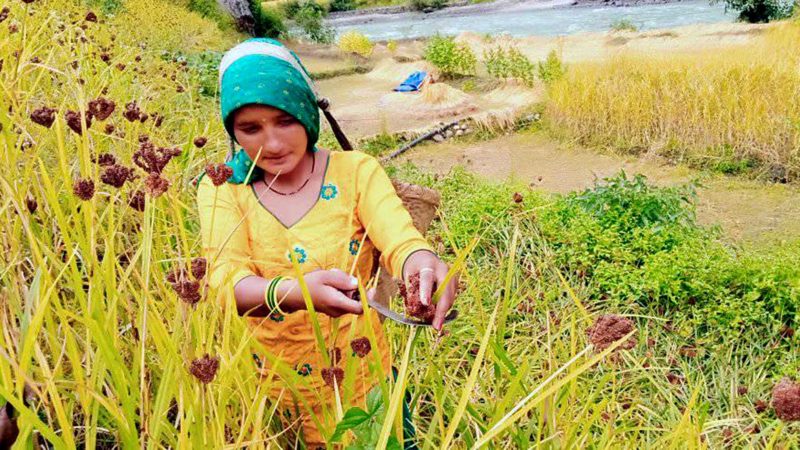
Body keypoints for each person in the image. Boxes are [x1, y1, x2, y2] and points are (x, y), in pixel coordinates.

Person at [196, 38, 458, 448]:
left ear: (307, 111)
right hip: (280, 388)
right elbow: (224, 282)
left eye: (285, 121)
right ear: (233, 130)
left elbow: (399, 238)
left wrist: (422, 263)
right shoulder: (224, 190)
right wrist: (295, 293)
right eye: (250, 128)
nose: (274, 144)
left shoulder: (356, 172)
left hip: (366, 381)